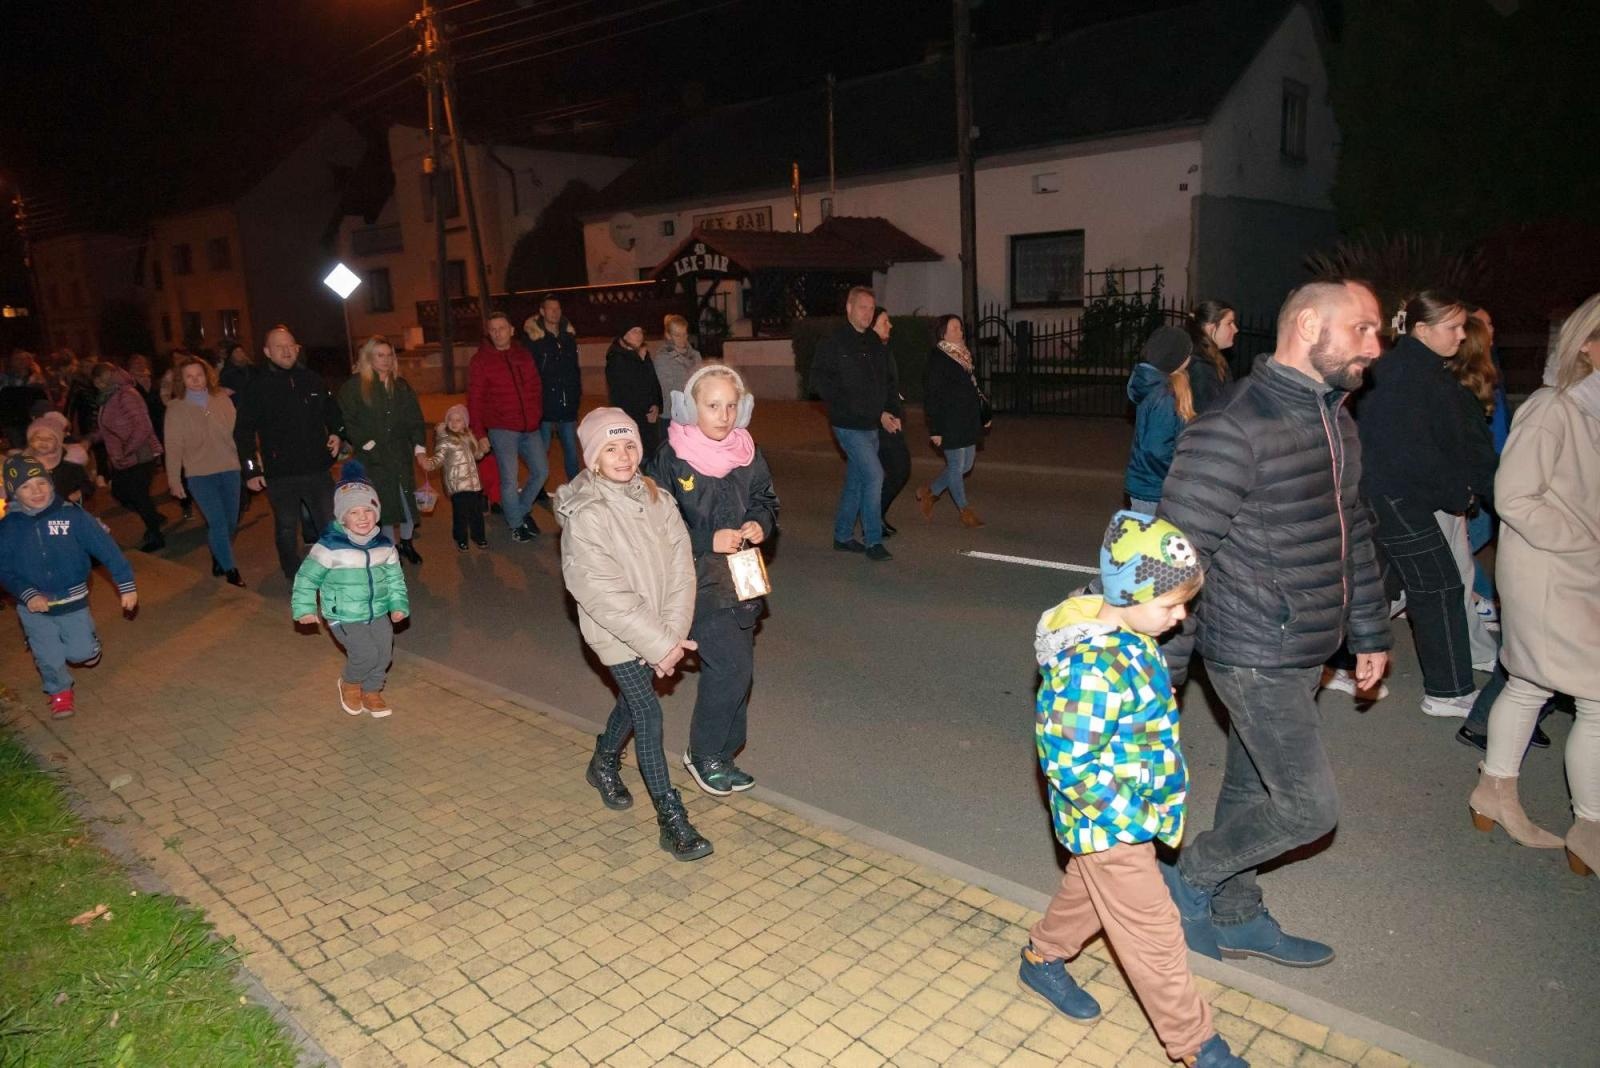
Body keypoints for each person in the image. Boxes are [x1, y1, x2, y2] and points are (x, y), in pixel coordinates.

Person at [1158, 279, 1391, 967]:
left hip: (1304, 644)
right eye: (1362, 330)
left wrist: (1370, 630)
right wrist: (1157, 678)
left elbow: (1351, 534)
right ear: (1310, 324)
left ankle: (1234, 913)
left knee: (1251, 786)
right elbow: (1174, 555)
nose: (1375, 348)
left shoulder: (1335, 419)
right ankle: (1191, 880)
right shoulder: (1234, 426)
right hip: (1253, 648)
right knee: (1307, 805)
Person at [1021, 511, 1246, 1068]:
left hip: (1121, 814)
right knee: (1154, 932)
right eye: (1171, 604)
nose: (1182, 615)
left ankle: (1041, 956)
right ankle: (1197, 1046)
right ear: (1127, 594)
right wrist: (1132, 821)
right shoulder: (1090, 665)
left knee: (1088, 890)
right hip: (1111, 818)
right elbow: (1070, 764)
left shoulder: (1126, 632)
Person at [1468, 294, 1600, 881]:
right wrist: (1581, 539)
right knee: (1597, 699)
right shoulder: (1554, 408)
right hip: (1553, 572)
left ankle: (1494, 791)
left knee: (1527, 684)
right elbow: (1514, 496)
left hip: (1573, 571)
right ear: (1588, 345)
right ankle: (1590, 825)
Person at [555, 408, 711, 861]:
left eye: (629, 446)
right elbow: (604, 595)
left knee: (633, 699)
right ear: (592, 458)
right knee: (649, 713)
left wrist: (671, 635)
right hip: (614, 634)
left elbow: (683, 568)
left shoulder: (657, 497)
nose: (622, 456)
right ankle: (670, 818)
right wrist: (661, 645)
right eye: (610, 448)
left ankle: (603, 761)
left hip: (660, 628)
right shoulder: (586, 515)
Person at [1357, 291, 1496, 718]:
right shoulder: (1409, 374)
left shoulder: (1417, 369)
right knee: (1439, 587)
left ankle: (1344, 665)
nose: (1461, 335)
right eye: (1452, 327)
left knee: (1379, 586)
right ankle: (1448, 691)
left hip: (1395, 493)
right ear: (1421, 329)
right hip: (1399, 496)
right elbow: (1415, 451)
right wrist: (1455, 493)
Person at [649, 365, 778, 796]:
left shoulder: (747, 451)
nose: (723, 415)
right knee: (730, 667)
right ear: (689, 407)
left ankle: (722, 754)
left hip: (741, 578)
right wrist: (708, 539)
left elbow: (765, 499)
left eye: (731, 406)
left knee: (739, 670)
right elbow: (654, 526)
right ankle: (704, 754)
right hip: (695, 581)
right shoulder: (671, 458)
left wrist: (761, 523)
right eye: (712, 405)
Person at [0, 454, 138, 720]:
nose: (36, 492)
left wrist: (126, 583)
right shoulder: (8, 528)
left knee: (80, 652)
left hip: (72, 599)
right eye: (26, 487)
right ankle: (59, 693)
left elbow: (106, 548)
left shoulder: (71, 515)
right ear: (14, 493)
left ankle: (90, 647)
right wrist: (27, 593)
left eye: (41, 483)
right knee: (47, 654)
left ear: (50, 483)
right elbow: (4, 568)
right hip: (33, 607)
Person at [291, 461, 409, 719]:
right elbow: (306, 579)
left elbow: (395, 579)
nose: (362, 517)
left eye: (367, 510)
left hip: (377, 610)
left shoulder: (385, 545)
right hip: (342, 614)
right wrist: (304, 608)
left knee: (384, 653)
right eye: (354, 512)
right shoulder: (329, 546)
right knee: (365, 653)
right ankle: (349, 683)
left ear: (376, 513)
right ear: (342, 517)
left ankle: (372, 691)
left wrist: (399, 605)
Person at [234, 326, 346, 581]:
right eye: (278, 346)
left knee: (330, 523)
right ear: (267, 352)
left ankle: (335, 571)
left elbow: (333, 413)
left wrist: (338, 434)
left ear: (297, 348)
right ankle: (293, 573)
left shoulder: (313, 379)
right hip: (280, 474)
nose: (286, 351)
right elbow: (243, 432)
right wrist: (251, 469)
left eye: (290, 345)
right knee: (286, 528)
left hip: (316, 469)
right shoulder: (257, 387)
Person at [810, 286, 897, 561]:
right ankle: (873, 540)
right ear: (849, 308)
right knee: (874, 475)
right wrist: (843, 405)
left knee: (857, 480)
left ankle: (843, 535)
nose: (868, 313)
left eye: (872, 309)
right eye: (862, 307)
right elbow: (818, 381)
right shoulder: (833, 341)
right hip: (847, 423)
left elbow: (881, 382)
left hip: (870, 423)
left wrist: (883, 412)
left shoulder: (873, 343)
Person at [1435, 315, 1501, 673]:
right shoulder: (1455, 393)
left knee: (1455, 578)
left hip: (1450, 496)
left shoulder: (1455, 389)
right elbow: (1473, 454)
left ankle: (1476, 649)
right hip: (1441, 498)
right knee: (1444, 580)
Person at [339, 336, 427, 564]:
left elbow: (414, 419)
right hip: (373, 457)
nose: (386, 360)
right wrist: (368, 444)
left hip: (400, 454)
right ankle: (388, 549)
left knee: (406, 500)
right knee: (383, 504)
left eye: (389, 355)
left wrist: (419, 447)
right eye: (380, 355)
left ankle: (407, 543)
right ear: (368, 357)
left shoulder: (400, 386)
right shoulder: (354, 387)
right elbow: (349, 421)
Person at [163, 356, 245, 587]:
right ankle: (231, 570)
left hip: (229, 468)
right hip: (199, 474)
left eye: (199, 375)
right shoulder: (176, 408)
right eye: (189, 376)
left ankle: (218, 552)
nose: (195, 380)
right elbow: (173, 446)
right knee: (217, 522)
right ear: (182, 380)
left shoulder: (221, 399)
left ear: (207, 375)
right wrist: (173, 480)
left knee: (231, 521)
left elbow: (237, 432)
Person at [468, 310, 545, 543]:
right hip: (502, 429)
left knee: (541, 472)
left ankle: (520, 511)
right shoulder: (481, 360)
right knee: (509, 479)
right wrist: (480, 433)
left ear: (512, 330)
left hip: (530, 427)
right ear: (489, 333)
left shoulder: (523, 355)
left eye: (502, 328)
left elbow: (535, 387)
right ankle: (516, 523)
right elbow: (474, 399)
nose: (498, 333)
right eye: (493, 329)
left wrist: (537, 414)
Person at [918, 313, 989, 527]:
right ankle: (965, 510)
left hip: (967, 420)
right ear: (944, 333)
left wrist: (984, 416)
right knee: (956, 466)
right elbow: (932, 396)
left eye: (960, 327)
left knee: (966, 466)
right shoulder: (938, 358)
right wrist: (935, 429)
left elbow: (975, 389)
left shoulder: (964, 355)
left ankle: (930, 493)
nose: (960, 331)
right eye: (955, 327)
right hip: (948, 422)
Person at [90, 361, 166, 552]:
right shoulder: (109, 396)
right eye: (98, 380)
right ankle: (154, 518)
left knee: (138, 495)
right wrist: (90, 439)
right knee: (120, 493)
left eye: (104, 378)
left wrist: (127, 450)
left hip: (140, 454)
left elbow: (143, 426)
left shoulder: (126, 394)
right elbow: (109, 427)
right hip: (123, 456)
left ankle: (156, 534)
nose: (100, 383)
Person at [1121, 326, 1195, 515]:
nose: (1191, 357)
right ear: (1174, 356)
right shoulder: (1164, 397)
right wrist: (1178, 476)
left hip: (1151, 486)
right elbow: (1156, 450)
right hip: (1154, 489)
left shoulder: (1162, 389)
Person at [525, 295, 582, 484]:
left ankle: (576, 488)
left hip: (567, 404)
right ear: (542, 311)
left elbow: (574, 370)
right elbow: (530, 374)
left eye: (558, 308)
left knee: (572, 451)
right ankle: (538, 488)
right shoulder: (534, 340)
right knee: (541, 452)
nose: (555, 312)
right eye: (551, 309)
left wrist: (576, 396)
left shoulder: (568, 337)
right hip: (544, 406)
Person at [424, 403, 489, 552]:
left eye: (458, 420)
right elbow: (439, 457)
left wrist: (482, 450)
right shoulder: (445, 440)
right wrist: (429, 463)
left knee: (476, 513)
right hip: (457, 484)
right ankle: (461, 538)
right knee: (461, 514)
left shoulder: (469, 436)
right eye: (451, 420)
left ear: (465, 423)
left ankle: (478, 536)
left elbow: (476, 455)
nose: (454, 423)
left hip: (473, 484)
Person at [870, 308, 911, 537]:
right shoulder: (871, 352)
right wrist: (882, 414)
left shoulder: (883, 349)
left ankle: (876, 517)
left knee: (894, 471)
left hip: (891, 419)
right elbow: (868, 390)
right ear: (873, 325)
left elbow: (890, 385)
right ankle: (873, 518)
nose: (890, 326)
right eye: (885, 321)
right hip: (880, 423)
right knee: (899, 470)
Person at [605, 322, 664, 455]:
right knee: (636, 456)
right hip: (630, 418)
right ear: (624, 336)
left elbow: (653, 382)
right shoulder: (616, 358)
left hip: (648, 415)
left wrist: (655, 405)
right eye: (634, 331)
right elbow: (629, 389)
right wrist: (640, 361)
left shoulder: (641, 353)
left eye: (640, 331)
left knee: (652, 454)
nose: (639, 335)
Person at [19, 414, 90, 503]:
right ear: (30, 440)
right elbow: (13, 487)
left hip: (63, 512)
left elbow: (87, 486)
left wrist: (79, 493)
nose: (43, 442)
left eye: (49, 439)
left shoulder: (70, 466)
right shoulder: (22, 466)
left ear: (58, 443)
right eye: (38, 437)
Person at [1186, 300, 1237, 415]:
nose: (1235, 329)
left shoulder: (1213, 358)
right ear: (1210, 328)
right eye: (1229, 323)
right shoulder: (1200, 367)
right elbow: (1207, 415)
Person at [654, 313, 703, 408]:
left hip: (695, 408)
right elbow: (666, 389)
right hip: (672, 411)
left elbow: (702, 380)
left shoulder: (696, 355)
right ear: (668, 335)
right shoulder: (663, 358)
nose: (682, 338)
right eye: (677, 335)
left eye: (684, 334)